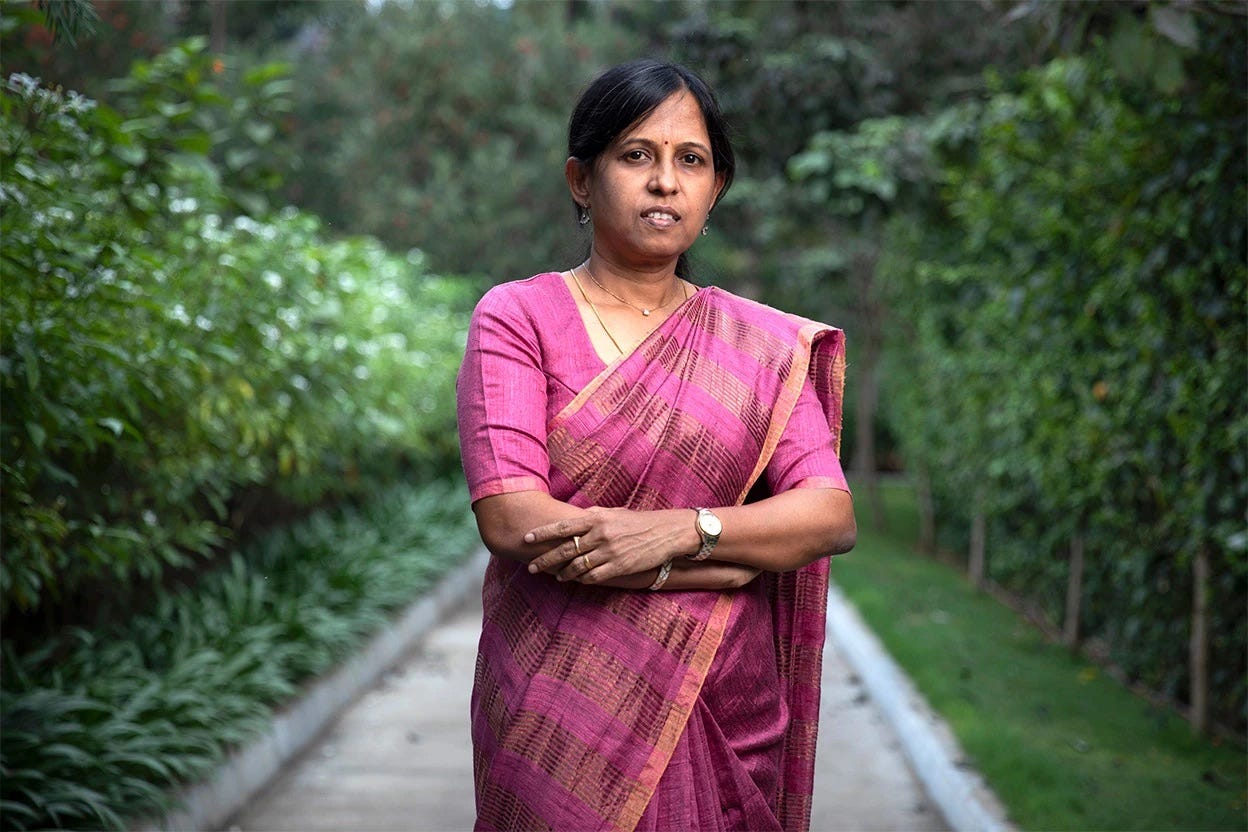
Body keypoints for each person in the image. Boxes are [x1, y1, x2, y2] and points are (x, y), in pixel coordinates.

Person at [455, 58, 855, 832]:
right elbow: (511, 520)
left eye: (691, 160)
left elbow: (829, 513)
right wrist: (724, 565)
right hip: (557, 711)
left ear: (715, 188)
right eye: (637, 155)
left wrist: (685, 529)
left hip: (725, 700)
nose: (665, 182)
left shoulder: (762, 345)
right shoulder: (519, 316)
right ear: (582, 178)